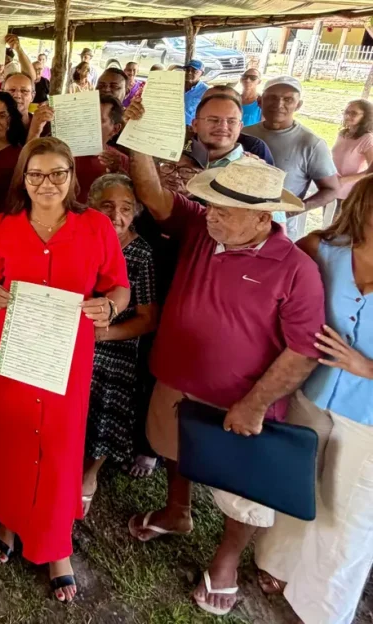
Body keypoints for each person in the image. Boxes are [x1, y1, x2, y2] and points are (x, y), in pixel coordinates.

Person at [124, 151, 325, 615]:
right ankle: (178, 512)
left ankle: (228, 561)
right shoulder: (201, 228)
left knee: (243, 495)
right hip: (175, 377)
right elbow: (153, 195)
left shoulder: (296, 270)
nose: (209, 213)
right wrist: (140, 140)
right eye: (210, 204)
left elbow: (303, 350)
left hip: (238, 401)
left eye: (223, 210)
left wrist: (255, 405)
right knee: (174, 448)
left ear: (261, 217)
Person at [0, 137, 130, 603]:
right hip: (9, 347)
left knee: (56, 444)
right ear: (24, 179)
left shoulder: (95, 227)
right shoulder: (5, 225)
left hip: (65, 353)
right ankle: (7, 520)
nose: (47, 183)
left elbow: (119, 287)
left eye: (58, 173)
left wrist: (109, 308)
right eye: (36, 175)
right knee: (11, 436)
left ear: (73, 177)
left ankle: (56, 547)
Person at [252, 178, 373, 624]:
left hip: (369, 416)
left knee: (350, 516)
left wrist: (366, 368)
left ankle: (322, 609)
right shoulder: (326, 249)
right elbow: (274, 266)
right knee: (297, 484)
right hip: (313, 391)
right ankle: (279, 563)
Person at [80, 174, 158, 515]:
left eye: (126, 208)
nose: (116, 215)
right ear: (91, 206)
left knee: (102, 377)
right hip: (73, 333)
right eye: (107, 206)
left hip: (115, 342)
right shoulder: (78, 238)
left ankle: (90, 473)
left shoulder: (141, 254)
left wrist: (105, 334)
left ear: (136, 212)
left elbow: (147, 319)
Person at [244, 75, 339, 241]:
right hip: (238, 224)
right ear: (259, 101)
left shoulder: (311, 143)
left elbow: (331, 189)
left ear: (299, 105)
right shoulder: (244, 134)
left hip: (279, 232)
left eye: (288, 99)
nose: (279, 104)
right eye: (272, 98)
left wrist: (295, 209)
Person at [331, 99, 373, 206]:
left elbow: (371, 171)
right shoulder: (343, 134)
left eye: (353, 113)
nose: (347, 116)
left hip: (349, 194)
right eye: (346, 112)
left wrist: (343, 180)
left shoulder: (367, 139)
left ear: (365, 116)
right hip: (332, 188)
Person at [183, 59, 209, 124]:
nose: (189, 73)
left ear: (202, 73)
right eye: (187, 70)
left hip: (191, 127)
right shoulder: (177, 85)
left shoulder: (205, 91)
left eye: (194, 71)